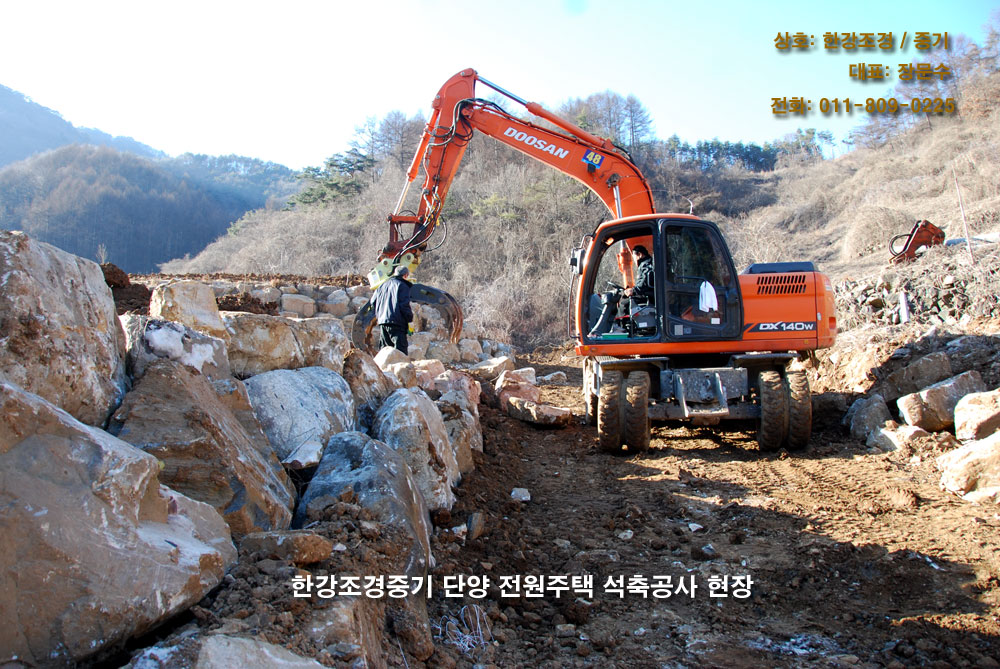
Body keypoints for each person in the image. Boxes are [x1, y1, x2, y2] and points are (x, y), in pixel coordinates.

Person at [372, 265, 413, 354]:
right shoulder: (402, 285)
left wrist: (379, 315)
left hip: (382, 322)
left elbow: (373, 302)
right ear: (405, 275)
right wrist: (410, 320)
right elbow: (404, 305)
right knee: (400, 352)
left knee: (385, 351)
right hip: (397, 323)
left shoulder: (382, 285)